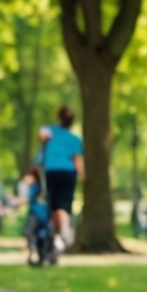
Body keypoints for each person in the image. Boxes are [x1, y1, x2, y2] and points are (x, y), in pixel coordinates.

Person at [38, 105, 85, 249]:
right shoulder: (75, 139)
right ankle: (63, 232)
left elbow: (41, 135)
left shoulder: (49, 130)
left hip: (52, 170)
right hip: (68, 172)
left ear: (59, 118)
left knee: (53, 203)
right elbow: (77, 159)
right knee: (65, 203)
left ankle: (58, 233)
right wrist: (81, 173)